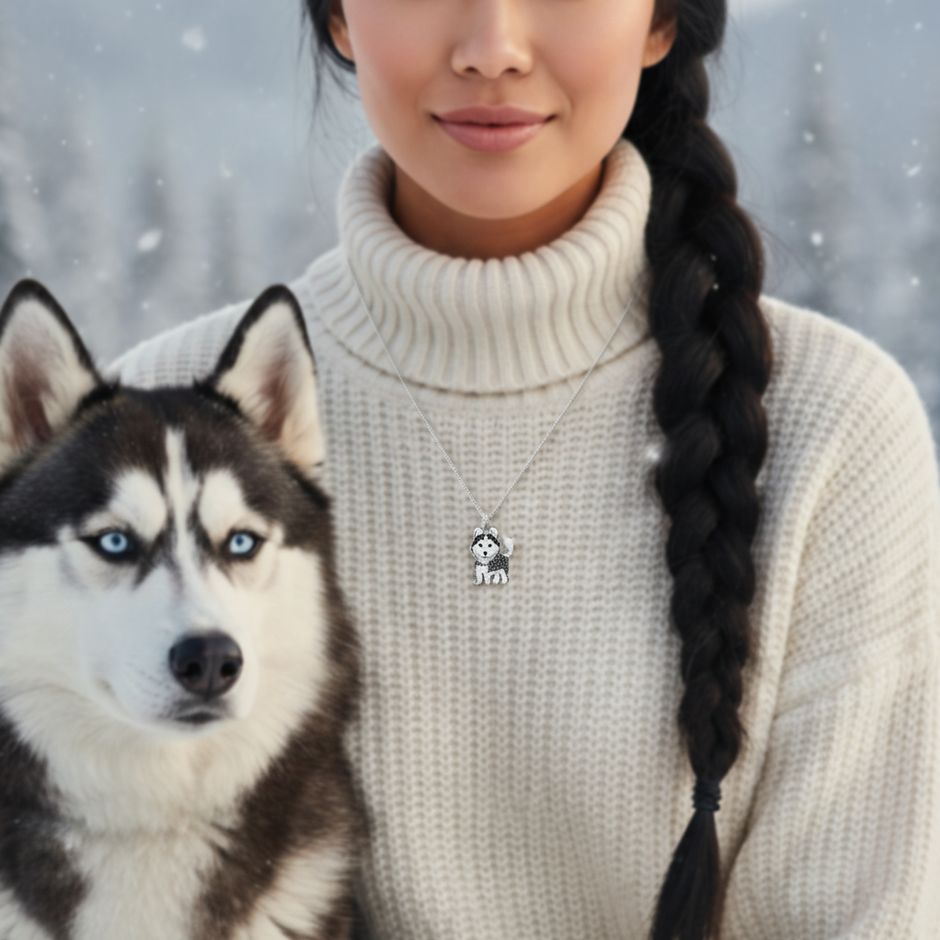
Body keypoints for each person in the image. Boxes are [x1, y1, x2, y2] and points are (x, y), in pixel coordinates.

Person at [111, 0, 940, 936]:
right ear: (339, 15)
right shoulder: (143, 433)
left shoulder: (828, 429)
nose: (493, 48)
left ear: (661, 21)